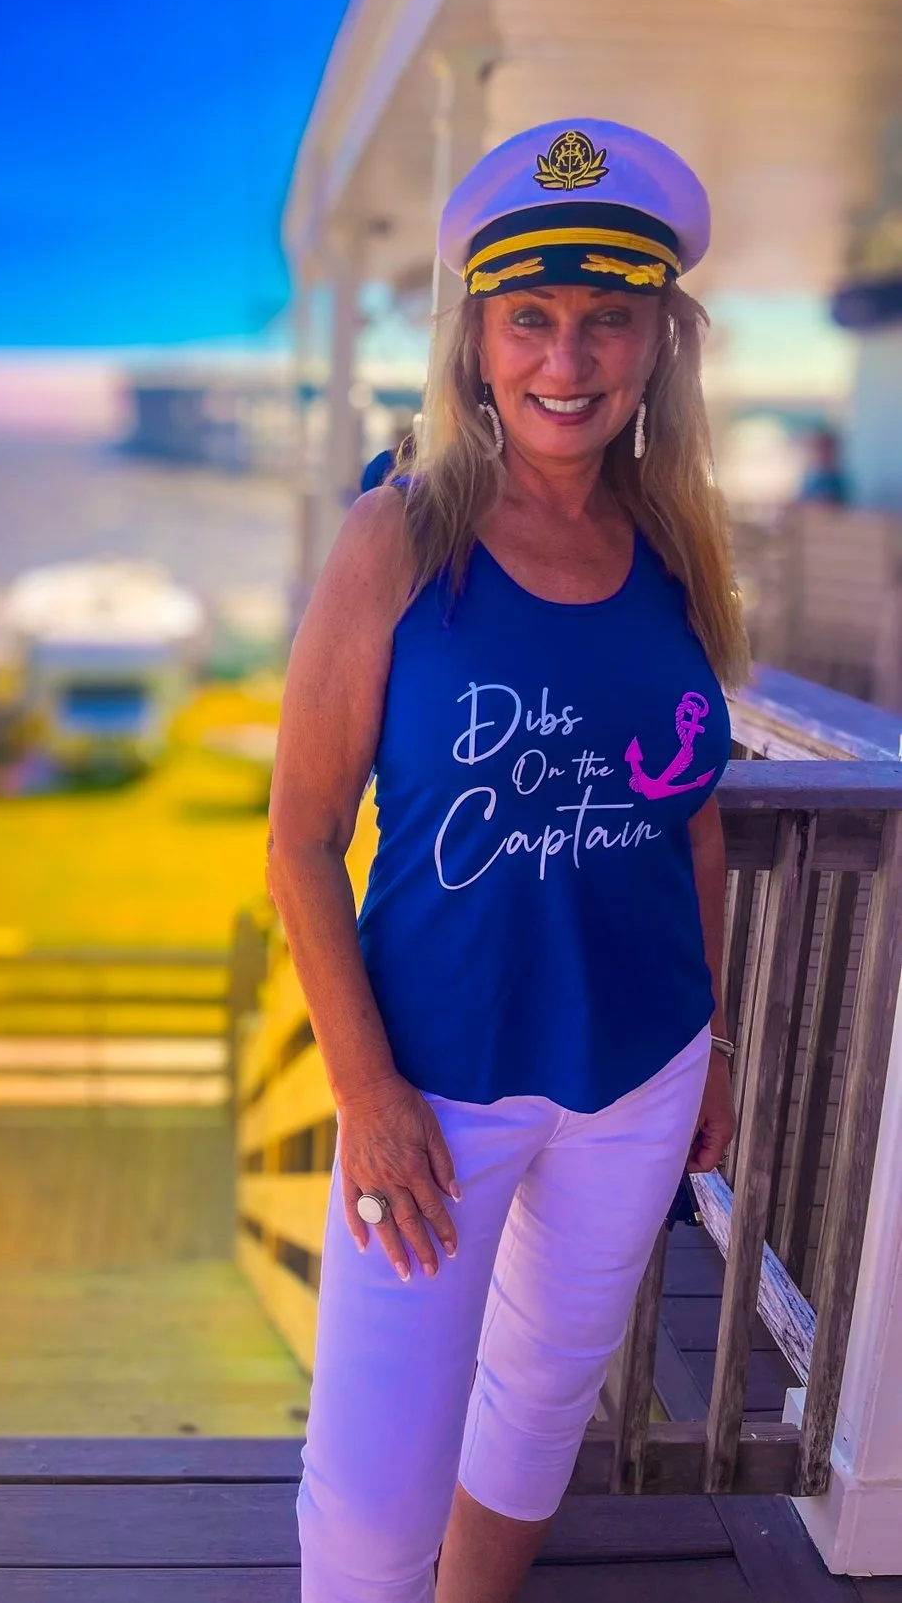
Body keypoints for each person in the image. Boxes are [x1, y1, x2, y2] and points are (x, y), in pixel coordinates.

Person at [267, 118, 751, 1603]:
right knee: (368, 1484)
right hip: (439, 1083)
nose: (569, 357)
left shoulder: (676, 544)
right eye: (530, 317)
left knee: (542, 1396)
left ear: (658, 342)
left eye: (609, 318)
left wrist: (711, 1043)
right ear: (474, 341)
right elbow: (296, 839)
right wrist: (364, 1090)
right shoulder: (396, 538)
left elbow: (695, 814)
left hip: (641, 1069)